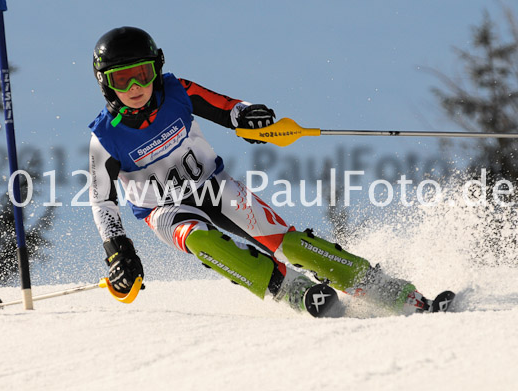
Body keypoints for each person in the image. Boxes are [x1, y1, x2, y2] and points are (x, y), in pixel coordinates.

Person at [88, 26, 454, 317]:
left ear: (157, 68)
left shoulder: (176, 91)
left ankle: (392, 291)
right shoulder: (105, 137)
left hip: (213, 186)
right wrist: (118, 250)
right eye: (122, 80)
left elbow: (227, 107)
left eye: (143, 74)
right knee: (201, 239)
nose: (136, 88)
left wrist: (248, 115)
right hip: (162, 210)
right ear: (106, 83)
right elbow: (101, 200)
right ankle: (292, 290)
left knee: (285, 241)